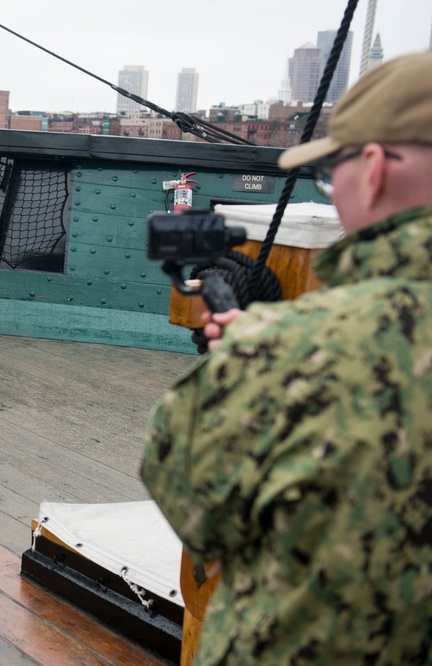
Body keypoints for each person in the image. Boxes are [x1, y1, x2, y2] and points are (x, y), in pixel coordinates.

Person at [141, 50, 432, 664]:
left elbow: (196, 510)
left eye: (332, 173)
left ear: (374, 169)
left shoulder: (286, 352)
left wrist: (254, 357)